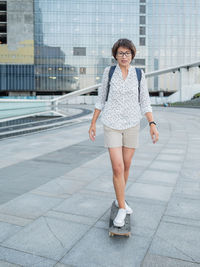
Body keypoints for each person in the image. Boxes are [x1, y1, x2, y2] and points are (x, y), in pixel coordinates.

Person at [88, 38, 159, 227]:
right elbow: (101, 99)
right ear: (115, 55)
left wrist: (152, 123)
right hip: (111, 124)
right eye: (120, 53)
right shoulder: (109, 72)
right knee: (117, 167)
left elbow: (144, 101)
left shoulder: (138, 74)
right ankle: (121, 207)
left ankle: (120, 198)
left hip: (132, 124)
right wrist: (93, 123)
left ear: (132, 55)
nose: (124, 56)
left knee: (126, 165)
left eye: (127, 53)